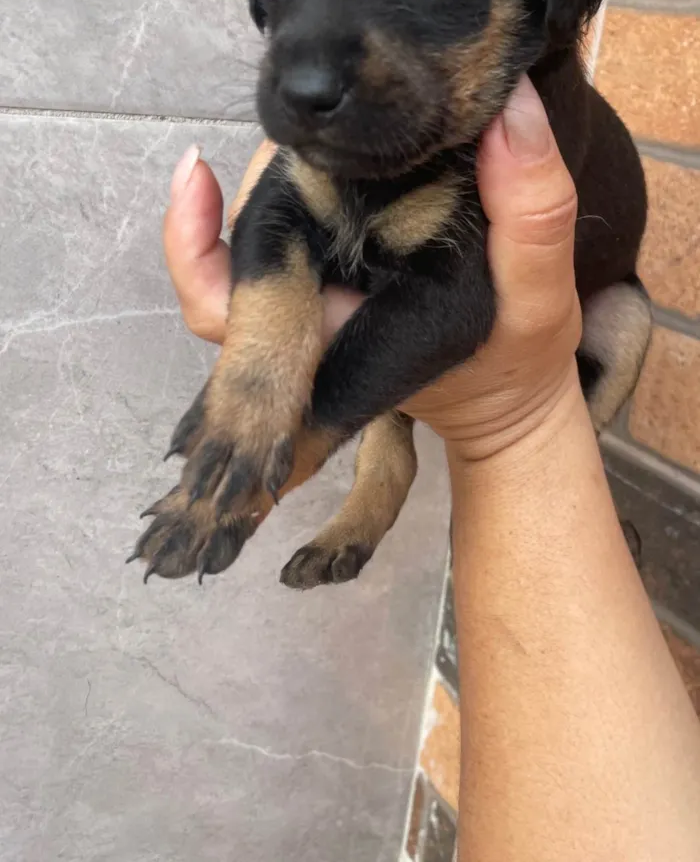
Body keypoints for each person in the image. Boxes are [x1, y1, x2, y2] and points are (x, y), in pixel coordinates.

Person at [163, 76, 700, 861]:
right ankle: (384, 482)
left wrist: (527, 425)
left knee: (622, 325)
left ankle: (419, 485)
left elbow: (445, 305)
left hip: (574, 317)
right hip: (421, 316)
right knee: (353, 302)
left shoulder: (501, 101)